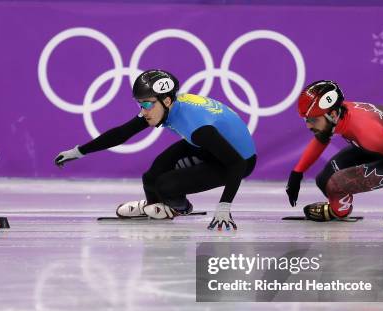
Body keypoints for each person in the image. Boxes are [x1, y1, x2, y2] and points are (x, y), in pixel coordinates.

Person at [55, 69, 257, 231]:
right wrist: (78, 151)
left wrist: (224, 207)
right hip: (209, 147)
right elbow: (122, 133)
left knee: (165, 184)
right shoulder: (164, 107)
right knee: (151, 177)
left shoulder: (198, 128)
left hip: (238, 160)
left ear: (166, 101)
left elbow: (236, 163)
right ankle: (155, 207)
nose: (143, 111)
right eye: (140, 104)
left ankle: (178, 207)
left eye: (147, 104)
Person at [286, 80, 383, 227]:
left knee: (336, 184)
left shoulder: (368, 133)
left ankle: (338, 211)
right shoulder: (338, 114)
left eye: (313, 120)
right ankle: (340, 204)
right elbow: (322, 137)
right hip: (382, 147)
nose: (308, 125)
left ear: (332, 114)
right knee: (323, 179)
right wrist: (297, 173)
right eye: (306, 119)